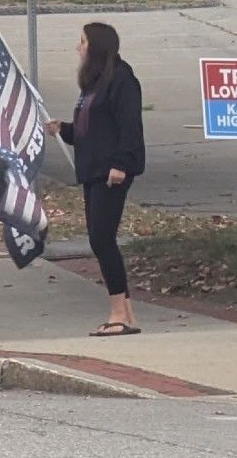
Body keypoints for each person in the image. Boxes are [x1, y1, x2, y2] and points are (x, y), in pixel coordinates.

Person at [45, 22, 146, 335]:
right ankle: (126, 314)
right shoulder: (92, 84)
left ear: (98, 46)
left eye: (83, 42)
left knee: (102, 239)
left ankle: (118, 311)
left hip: (111, 172)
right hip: (91, 170)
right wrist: (63, 129)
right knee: (99, 238)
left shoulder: (122, 79)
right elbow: (91, 131)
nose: (79, 47)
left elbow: (130, 127)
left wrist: (121, 164)